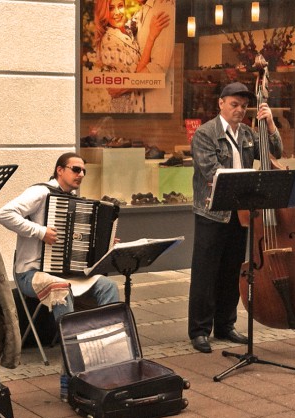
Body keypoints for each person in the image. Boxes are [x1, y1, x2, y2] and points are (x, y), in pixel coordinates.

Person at [0, 152, 120, 399]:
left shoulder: (76, 201)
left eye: (83, 171)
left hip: (66, 273)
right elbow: (4, 213)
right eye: (75, 169)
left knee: (109, 287)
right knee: (60, 288)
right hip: (31, 273)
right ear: (59, 171)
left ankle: (107, 360)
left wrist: (105, 244)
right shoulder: (40, 193)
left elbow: (83, 247)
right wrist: (40, 231)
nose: (81, 175)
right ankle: (70, 375)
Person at [188, 82, 284, 353]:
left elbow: (276, 152)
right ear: (221, 103)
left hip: (240, 212)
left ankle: (225, 325)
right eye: (234, 104)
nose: (240, 110)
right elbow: (211, 171)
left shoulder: (249, 134)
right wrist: (248, 182)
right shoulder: (205, 133)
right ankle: (199, 330)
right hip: (212, 212)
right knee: (206, 272)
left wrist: (271, 125)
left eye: (244, 106)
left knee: (233, 270)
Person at [93, 0, 170, 113]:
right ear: (104, 13)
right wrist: (151, 37)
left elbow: (143, 8)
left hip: (138, 105)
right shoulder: (110, 40)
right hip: (125, 109)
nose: (117, 12)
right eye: (111, 8)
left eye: (120, 6)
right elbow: (136, 78)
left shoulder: (127, 29)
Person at [131, 0, 175, 113]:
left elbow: (158, 69)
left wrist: (124, 86)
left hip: (154, 108)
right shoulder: (141, 10)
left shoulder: (163, 7)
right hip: (137, 105)